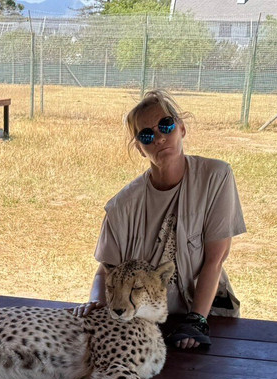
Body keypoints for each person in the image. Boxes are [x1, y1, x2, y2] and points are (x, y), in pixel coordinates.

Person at [88, 90, 246, 349]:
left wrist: (196, 320)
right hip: (143, 321)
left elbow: (215, 259)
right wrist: (96, 304)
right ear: (140, 148)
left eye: (166, 125)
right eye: (146, 135)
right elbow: (106, 271)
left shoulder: (216, 177)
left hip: (209, 315)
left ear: (181, 129)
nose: (159, 137)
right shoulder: (121, 206)